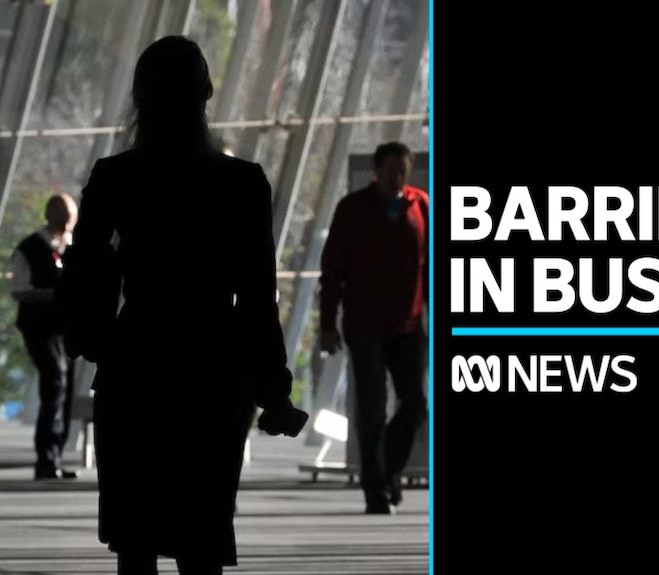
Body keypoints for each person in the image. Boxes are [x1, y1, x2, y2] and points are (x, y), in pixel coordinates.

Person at [58, 36, 305, 575]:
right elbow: (258, 299)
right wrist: (273, 390)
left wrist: (92, 341)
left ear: (139, 97)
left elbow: (88, 276)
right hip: (214, 373)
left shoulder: (115, 177)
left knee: (136, 538)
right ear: (206, 93)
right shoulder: (243, 184)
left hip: (137, 366)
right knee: (202, 538)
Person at [319, 142, 429, 514]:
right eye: (393, 171)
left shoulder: (421, 206)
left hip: (409, 323)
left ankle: (389, 472)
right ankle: (376, 490)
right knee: (373, 409)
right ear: (377, 172)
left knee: (414, 404)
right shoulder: (353, 210)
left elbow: (428, 269)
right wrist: (327, 324)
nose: (399, 178)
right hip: (364, 323)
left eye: (404, 170)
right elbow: (333, 271)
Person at [10, 193, 79, 480]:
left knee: (65, 389)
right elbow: (20, 289)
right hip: (39, 327)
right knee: (55, 381)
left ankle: (55, 455)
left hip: (66, 327)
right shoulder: (29, 248)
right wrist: (54, 295)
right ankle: (46, 456)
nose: (66, 227)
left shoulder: (72, 248)